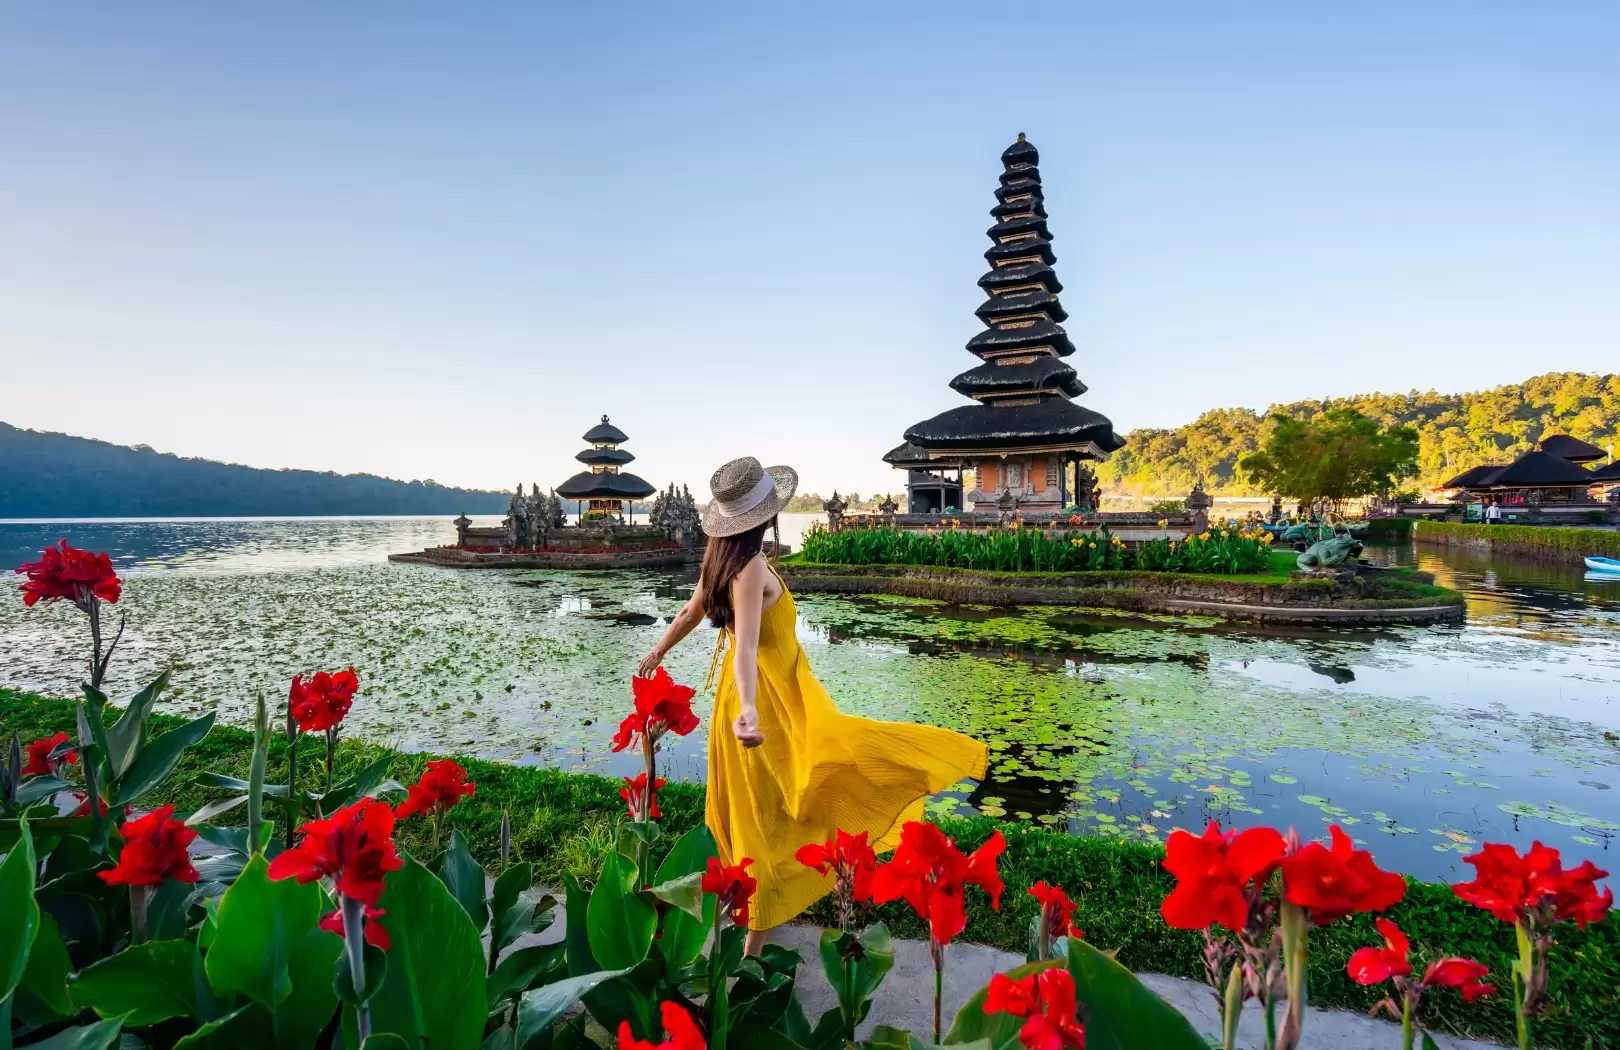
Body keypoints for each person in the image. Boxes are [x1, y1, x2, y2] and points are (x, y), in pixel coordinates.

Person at [639, 457, 988, 956]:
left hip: (757, 698)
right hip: (767, 703)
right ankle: (752, 945)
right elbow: (744, 648)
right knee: (776, 810)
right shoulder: (749, 567)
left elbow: (690, 613)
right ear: (763, 516)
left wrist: (660, 649)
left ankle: (750, 906)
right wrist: (750, 711)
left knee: (773, 803)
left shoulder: (719, 560)